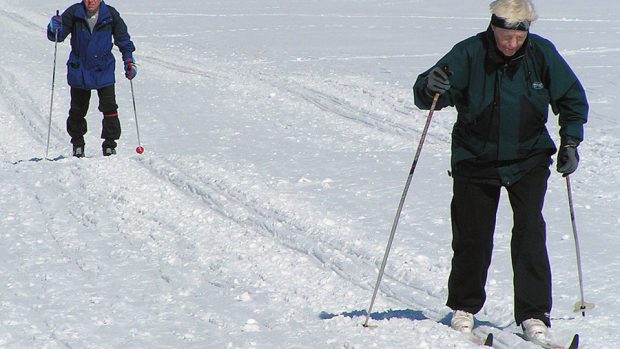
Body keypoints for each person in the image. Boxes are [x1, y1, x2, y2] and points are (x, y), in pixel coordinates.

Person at [412, 0, 588, 343]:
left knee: (529, 232)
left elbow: (571, 99)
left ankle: (534, 316)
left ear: (526, 33)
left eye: (517, 38)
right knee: (472, 235)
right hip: (475, 158)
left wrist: (570, 143)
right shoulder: (469, 52)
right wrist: (429, 85)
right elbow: (428, 94)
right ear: (493, 29)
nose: (510, 44)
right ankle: (464, 308)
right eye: (504, 36)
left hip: (528, 158)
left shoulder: (542, 54)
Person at [47, 0, 137, 157]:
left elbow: (123, 40)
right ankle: (77, 144)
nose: (91, 1)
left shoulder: (110, 14)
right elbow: (58, 36)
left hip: (103, 68)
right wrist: (53, 28)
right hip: (80, 69)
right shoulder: (74, 12)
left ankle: (109, 145)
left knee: (109, 107)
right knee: (78, 109)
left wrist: (129, 61)